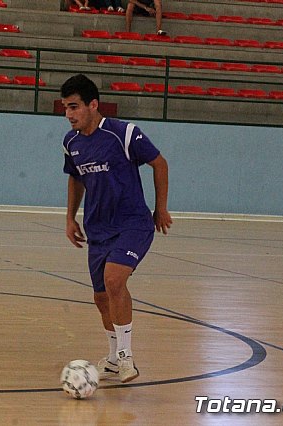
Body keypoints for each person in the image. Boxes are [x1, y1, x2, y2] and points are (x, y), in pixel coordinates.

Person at [60, 74, 171, 383]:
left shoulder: (123, 134)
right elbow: (75, 177)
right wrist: (70, 217)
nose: (69, 114)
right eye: (65, 108)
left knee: (114, 280)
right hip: (98, 229)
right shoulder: (71, 142)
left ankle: (126, 358)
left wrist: (159, 208)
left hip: (133, 224)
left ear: (93, 105)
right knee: (100, 297)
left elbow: (159, 164)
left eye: (74, 106)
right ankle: (111, 359)